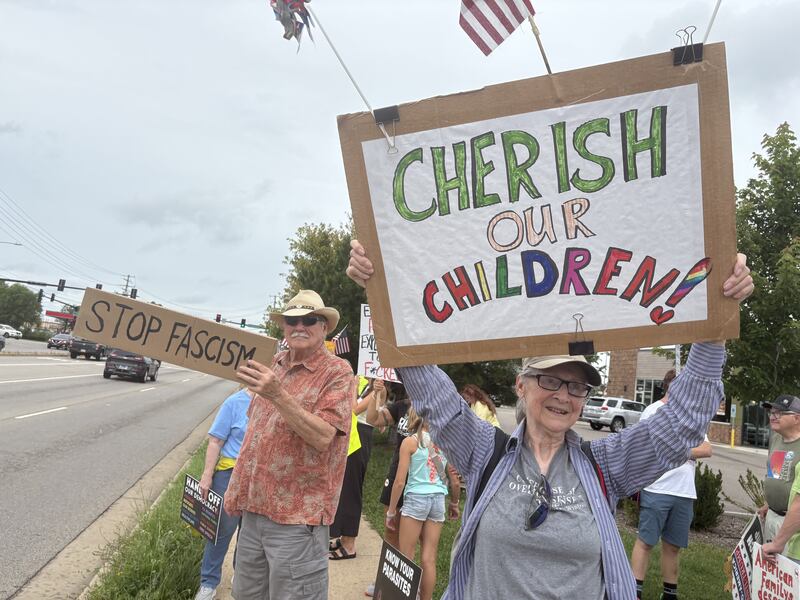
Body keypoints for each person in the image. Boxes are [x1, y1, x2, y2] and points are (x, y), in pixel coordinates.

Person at [347, 240, 753, 599]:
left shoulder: (605, 466)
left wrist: (713, 328)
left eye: (577, 387)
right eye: (550, 380)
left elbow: (681, 424)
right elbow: (431, 391)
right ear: (521, 386)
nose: (564, 395)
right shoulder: (482, 450)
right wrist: (380, 290)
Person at [223, 290, 355, 600]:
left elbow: (324, 436)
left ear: (324, 327)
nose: (299, 326)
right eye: (291, 320)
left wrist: (278, 394)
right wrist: (237, 489)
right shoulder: (274, 365)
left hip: (297, 522)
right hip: (254, 514)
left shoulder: (337, 372)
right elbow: (255, 434)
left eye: (309, 319)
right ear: (283, 326)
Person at [629, 369, 713, 600]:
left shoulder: (692, 416)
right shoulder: (653, 411)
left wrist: (678, 451)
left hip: (684, 491)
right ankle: (633, 590)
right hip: (657, 488)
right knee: (646, 541)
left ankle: (669, 593)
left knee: (673, 546)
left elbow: (706, 449)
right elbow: (645, 445)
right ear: (670, 386)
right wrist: (685, 452)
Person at [386, 407, 460, 600]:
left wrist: (391, 511)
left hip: (416, 500)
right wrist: (454, 503)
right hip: (438, 501)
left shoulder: (410, 443)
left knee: (406, 556)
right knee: (429, 558)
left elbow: (400, 481)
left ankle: (403, 597)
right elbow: (455, 481)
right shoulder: (446, 443)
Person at [194, 387, 253, 600]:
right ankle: (208, 583)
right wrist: (207, 475)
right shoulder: (234, 402)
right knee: (221, 531)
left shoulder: (276, 400)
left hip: (259, 479)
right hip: (229, 476)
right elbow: (215, 441)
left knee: (250, 534)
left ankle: (241, 575)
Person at [329, 376, 375, 560]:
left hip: (361, 437)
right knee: (343, 489)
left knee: (351, 490)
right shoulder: (361, 380)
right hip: (349, 436)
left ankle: (349, 544)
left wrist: (353, 389)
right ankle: (341, 534)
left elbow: (353, 409)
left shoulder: (378, 388)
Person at [759, 394, 800, 564]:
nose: (773, 416)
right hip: (773, 518)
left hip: (792, 525)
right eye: (772, 412)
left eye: (780, 413)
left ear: (797, 418)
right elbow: (775, 475)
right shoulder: (776, 439)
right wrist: (769, 504)